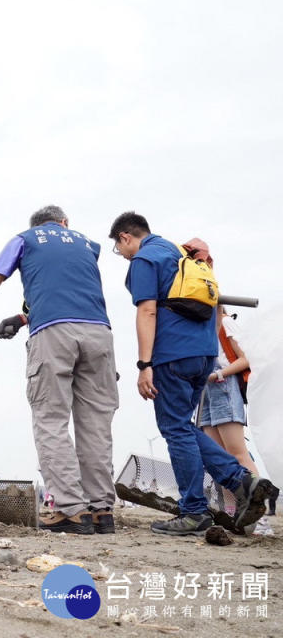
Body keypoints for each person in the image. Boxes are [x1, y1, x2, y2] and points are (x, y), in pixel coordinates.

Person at [109, 211, 276, 536]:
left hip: (173, 353)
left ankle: (194, 511)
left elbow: (147, 309)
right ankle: (242, 483)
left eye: (120, 248)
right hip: (203, 354)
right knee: (184, 428)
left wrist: (144, 365)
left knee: (174, 428)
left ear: (125, 237)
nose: (124, 255)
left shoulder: (145, 259)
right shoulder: (182, 254)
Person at [0, 206, 118, 535]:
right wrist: (20, 319)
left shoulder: (24, 239)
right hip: (100, 335)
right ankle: (101, 509)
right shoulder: (87, 245)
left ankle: (70, 509)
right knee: (96, 423)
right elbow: (66, 290)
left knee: (51, 420)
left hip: (54, 335)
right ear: (64, 223)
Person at [197, 307, 273, 535]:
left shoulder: (226, 322)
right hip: (206, 390)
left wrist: (219, 374)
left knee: (237, 452)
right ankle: (237, 512)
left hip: (224, 386)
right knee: (217, 457)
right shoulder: (201, 328)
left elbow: (247, 359)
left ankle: (261, 517)